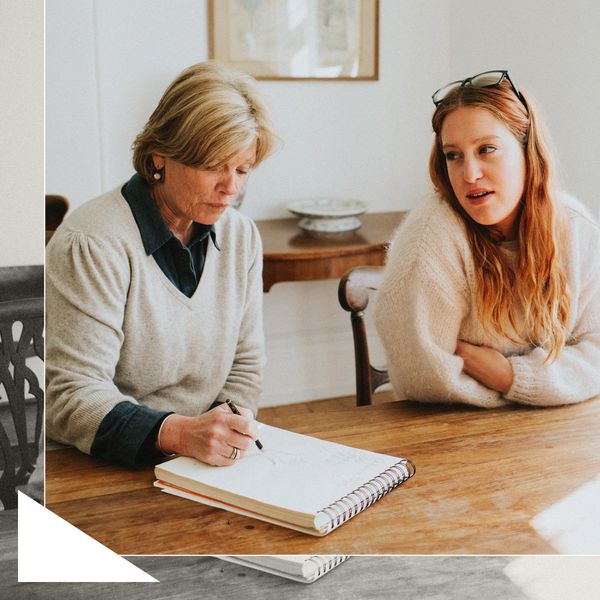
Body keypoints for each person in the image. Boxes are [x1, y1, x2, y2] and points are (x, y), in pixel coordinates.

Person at [46, 61, 277, 467]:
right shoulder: (93, 242)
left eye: (243, 169)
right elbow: (70, 396)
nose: (232, 189)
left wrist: (228, 430)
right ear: (159, 158)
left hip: (199, 464)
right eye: (212, 166)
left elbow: (246, 365)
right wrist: (180, 434)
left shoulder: (241, 237)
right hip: (100, 464)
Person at [375, 70, 600, 407]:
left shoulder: (574, 228)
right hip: (451, 431)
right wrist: (558, 381)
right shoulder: (430, 239)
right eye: (454, 155)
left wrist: (509, 376)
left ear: (528, 152)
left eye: (487, 149)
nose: (469, 174)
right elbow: (424, 379)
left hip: (557, 432)